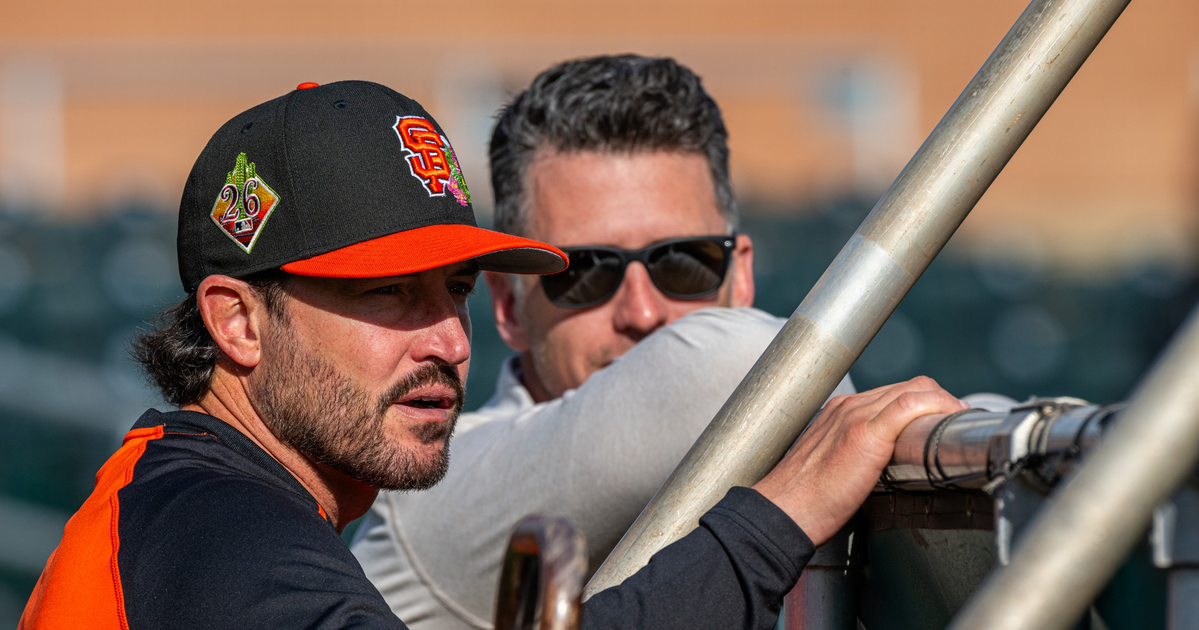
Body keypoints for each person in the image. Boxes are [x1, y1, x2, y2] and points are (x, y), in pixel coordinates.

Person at [19, 79, 966, 630]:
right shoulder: (218, 532)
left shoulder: (193, 500)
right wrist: (775, 519)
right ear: (238, 324)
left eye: (455, 294)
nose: (444, 340)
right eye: (387, 294)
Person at [350, 55, 858, 629]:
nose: (642, 312)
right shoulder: (437, 490)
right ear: (508, 304)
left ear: (739, 276)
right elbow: (736, 362)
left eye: (684, 263)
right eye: (585, 272)